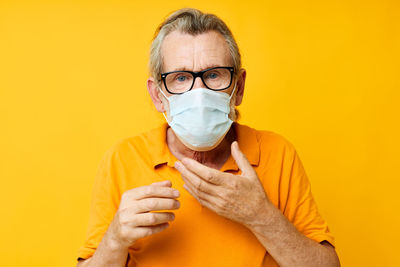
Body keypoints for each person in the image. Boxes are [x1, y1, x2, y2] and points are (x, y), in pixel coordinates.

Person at [76, 8, 340, 267]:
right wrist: (114, 240)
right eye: (180, 77)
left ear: (238, 88)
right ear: (157, 95)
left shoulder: (277, 153)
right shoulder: (122, 160)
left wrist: (261, 215)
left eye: (213, 75)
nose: (199, 92)